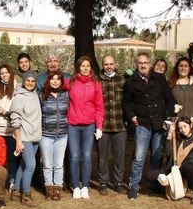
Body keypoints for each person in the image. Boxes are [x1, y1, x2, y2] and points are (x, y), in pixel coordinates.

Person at [122, 51, 175, 199]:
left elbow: (169, 99)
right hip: (142, 124)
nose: (143, 65)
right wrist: (132, 116)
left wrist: (168, 118)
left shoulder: (159, 79)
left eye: (145, 62)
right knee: (139, 157)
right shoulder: (130, 82)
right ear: (136, 65)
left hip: (159, 124)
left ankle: (154, 184)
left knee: (157, 156)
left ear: (150, 64)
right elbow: (126, 103)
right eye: (140, 63)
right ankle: (134, 186)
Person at [65, 56, 104, 199]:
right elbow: (59, 93)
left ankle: (85, 186)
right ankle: (75, 186)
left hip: (89, 125)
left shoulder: (96, 84)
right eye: (83, 66)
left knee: (87, 156)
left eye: (88, 66)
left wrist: (99, 126)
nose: (85, 68)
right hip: (73, 125)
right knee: (74, 156)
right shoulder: (70, 82)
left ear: (91, 68)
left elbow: (100, 106)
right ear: (78, 68)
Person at [10, 71, 42, 206]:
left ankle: (16, 190)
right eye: (28, 80)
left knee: (24, 165)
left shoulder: (35, 94)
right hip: (24, 137)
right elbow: (15, 119)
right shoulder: (19, 97)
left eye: (33, 81)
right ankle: (26, 195)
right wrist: (18, 140)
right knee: (31, 165)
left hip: (35, 136)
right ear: (23, 82)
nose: (30, 83)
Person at [98, 55, 127, 194]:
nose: (108, 67)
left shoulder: (123, 79)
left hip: (119, 124)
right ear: (102, 65)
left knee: (119, 156)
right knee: (102, 156)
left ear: (115, 64)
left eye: (111, 64)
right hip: (103, 125)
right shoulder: (97, 80)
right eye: (106, 64)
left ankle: (118, 182)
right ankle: (103, 182)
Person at [160, 116, 193, 204]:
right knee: (151, 175)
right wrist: (170, 133)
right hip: (175, 170)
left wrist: (176, 173)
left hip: (189, 171)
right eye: (180, 128)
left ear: (190, 125)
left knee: (188, 166)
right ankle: (169, 183)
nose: (183, 130)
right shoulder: (177, 139)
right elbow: (168, 153)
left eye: (185, 126)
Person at [40, 70, 70, 200]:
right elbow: (38, 114)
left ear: (61, 81)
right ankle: (49, 189)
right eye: (53, 79)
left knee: (58, 163)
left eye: (58, 79)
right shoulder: (42, 96)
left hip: (62, 134)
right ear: (49, 81)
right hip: (46, 134)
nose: (55, 81)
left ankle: (57, 189)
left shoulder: (66, 95)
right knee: (47, 163)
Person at [168, 57, 193, 133]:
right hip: (176, 126)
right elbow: (164, 101)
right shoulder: (170, 84)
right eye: (181, 66)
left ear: (190, 69)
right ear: (177, 68)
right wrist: (172, 107)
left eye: (186, 66)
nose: (183, 68)